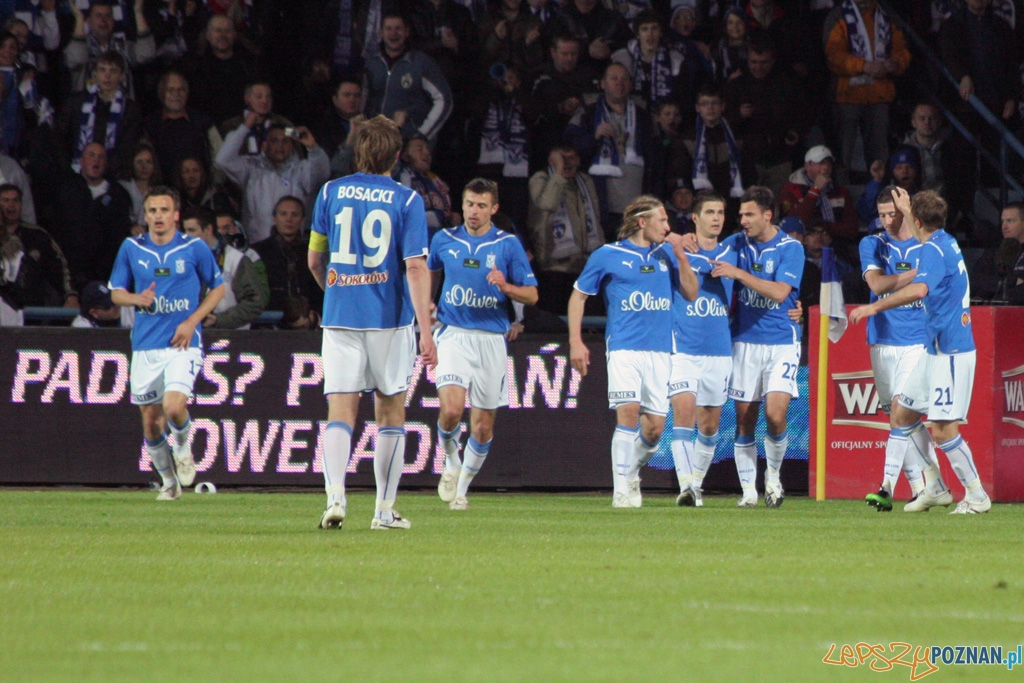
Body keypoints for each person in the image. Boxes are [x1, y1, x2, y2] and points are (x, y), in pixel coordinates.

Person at [307, 115, 437, 530]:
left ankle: (334, 499)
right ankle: (383, 511)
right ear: (396, 156)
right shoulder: (407, 200)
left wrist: (338, 293)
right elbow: (415, 268)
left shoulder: (329, 192)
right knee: (390, 412)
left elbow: (314, 259)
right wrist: (426, 329)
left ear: (357, 151)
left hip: (341, 315)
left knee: (340, 409)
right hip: (389, 320)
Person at [850, 189, 992, 514]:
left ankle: (976, 495)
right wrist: (906, 207)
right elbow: (922, 234)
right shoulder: (943, 240)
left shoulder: (932, 251)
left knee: (943, 429)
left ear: (915, 220)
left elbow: (918, 288)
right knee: (902, 414)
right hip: (933, 347)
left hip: (950, 350)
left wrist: (875, 309)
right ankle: (936, 487)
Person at [568, 195, 698, 507]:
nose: (668, 227)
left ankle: (630, 474)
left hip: (661, 350)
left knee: (653, 431)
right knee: (627, 414)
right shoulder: (607, 255)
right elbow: (578, 297)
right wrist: (575, 340)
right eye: (662, 221)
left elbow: (692, 294)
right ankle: (621, 493)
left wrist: (681, 257)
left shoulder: (668, 253)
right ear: (643, 222)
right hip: (625, 348)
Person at [108, 186, 225, 501]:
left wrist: (191, 322)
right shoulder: (132, 247)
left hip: (183, 343)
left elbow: (217, 288)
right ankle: (169, 483)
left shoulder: (194, 247)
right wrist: (136, 298)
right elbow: (116, 292)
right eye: (152, 211)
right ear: (145, 215)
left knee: (174, 407)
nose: (158, 216)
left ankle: (184, 448)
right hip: (146, 344)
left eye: (164, 210)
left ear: (176, 215)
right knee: (150, 421)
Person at [429, 178, 538, 510]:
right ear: (461, 205)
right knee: (450, 410)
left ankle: (462, 490)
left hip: (491, 339)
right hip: (453, 334)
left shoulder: (507, 245)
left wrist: (506, 287)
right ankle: (450, 459)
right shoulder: (443, 240)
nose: (473, 211)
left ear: (494, 209)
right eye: (469, 204)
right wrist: (427, 309)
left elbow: (532, 295)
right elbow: (429, 276)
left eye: (481, 206)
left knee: (483, 425)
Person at [709, 186, 804, 507]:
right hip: (744, 342)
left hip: (781, 342)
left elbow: (779, 292)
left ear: (767, 215)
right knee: (745, 419)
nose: (742, 221)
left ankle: (773, 477)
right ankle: (749, 492)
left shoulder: (791, 248)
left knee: (776, 416)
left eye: (749, 214)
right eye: (740, 215)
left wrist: (739, 274)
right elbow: (707, 256)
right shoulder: (736, 244)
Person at [857, 185, 928, 510]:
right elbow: (877, 285)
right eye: (882, 214)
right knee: (898, 419)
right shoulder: (872, 243)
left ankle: (886, 486)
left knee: (901, 414)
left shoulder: (926, 244)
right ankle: (922, 487)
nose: (886, 220)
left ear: (905, 211)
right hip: (882, 342)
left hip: (917, 340)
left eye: (892, 213)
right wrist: (916, 275)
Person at [669, 191, 736, 507]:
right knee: (683, 416)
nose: (717, 218)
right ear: (694, 218)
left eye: (721, 212)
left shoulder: (733, 251)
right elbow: (652, 235)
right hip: (683, 349)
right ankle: (686, 487)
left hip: (719, 351)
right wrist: (676, 237)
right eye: (710, 212)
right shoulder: (677, 251)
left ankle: (696, 484)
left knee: (709, 426)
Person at [824, 0, 910, 183]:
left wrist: (895, 63)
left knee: (880, 156)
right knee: (842, 155)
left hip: (879, 95)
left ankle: (882, 198)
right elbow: (833, 55)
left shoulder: (887, 14)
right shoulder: (838, 16)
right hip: (847, 96)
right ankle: (840, 197)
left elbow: (901, 50)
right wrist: (863, 66)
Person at [565, 62, 653, 240]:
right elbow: (569, 147)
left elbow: (655, 158)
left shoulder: (643, 115)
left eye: (624, 79)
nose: (619, 83)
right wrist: (594, 137)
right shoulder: (588, 113)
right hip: (602, 207)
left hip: (637, 206)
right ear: (603, 84)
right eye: (614, 78)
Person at [215, 119, 330, 244]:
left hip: (293, 245)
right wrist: (245, 127)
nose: (280, 146)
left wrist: (313, 147)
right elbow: (223, 160)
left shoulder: (301, 169)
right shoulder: (252, 167)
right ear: (265, 145)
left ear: (292, 145)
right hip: (257, 245)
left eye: (285, 141)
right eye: (274, 141)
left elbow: (322, 175)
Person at [528, 144, 602, 314]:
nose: (567, 163)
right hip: (554, 266)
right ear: (551, 160)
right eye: (562, 158)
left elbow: (595, 219)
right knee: (556, 321)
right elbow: (547, 204)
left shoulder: (585, 181)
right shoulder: (541, 179)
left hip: (583, 265)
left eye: (571, 158)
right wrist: (559, 173)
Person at [363, 12, 452, 143]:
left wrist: (422, 135)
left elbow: (444, 100)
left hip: (409, 143)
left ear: (407, 32)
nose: (394, 33)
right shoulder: (371, 63)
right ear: (381, 33)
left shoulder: (422, 63)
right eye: (389, 29)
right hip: (377, 141)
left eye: (398, 28)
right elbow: (363, 102)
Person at [55, 50, 141, 178]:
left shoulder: (130, 109)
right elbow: (60, 136)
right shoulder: (76, 101)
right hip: (75, 173)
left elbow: (127, 148)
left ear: (122, 76)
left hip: (112, 176)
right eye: (102, 70)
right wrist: (68, 168)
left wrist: (104, 171)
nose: (107, 76)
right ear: (95, 73)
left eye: (113, 71)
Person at [182, 206, 267, 330]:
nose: (186, 236)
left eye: (191, 230)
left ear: (208, 229)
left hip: (230, 339)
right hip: (190, 338)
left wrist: (219, 320)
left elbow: (255, 302)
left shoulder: (236, 260)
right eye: (184, 230)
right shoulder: (181, 259)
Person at [252, 196, 323, 325]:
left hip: (308, 325)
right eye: (283, 214)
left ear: (302, 220)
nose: (289, 219)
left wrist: (313, 318)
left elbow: (320, 290)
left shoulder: (313, 253)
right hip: (267, 324)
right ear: (274, 218)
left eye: (295, 215)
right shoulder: (257, 252)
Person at [0, 183, 73, 308]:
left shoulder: (38, 235)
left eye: (16, 200)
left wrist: (71, 295)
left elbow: (60, 268)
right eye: (6, 200)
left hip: (34, 310)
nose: (11, 205)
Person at [64, 0, 154, 98]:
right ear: (88, 21)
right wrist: (79, 19)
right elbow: (76, 58)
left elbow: (146, 53)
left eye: (108, 16)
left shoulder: (123, 45)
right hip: (87, 109)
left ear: (113, 21)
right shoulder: (81, 46)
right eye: (98, 15)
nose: (103, 20)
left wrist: (138, 12)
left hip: (122, 108)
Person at [143, 71, 215, 182]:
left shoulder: (202, 121)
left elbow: (218, 156)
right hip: (162, 191)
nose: (176, 94)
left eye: (181, 90)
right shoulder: (150, 124)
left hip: (199, 190)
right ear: (161, 93)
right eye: (170, 90)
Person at [779, 145, 859, 244]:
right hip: (805, 246)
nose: (826, 167)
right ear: (807, 166)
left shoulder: (841, 191)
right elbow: (796, 224)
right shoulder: (790, 190)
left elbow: (852, 228)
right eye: (821, 163)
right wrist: (815, 190)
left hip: (838, 245)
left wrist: (824, 230)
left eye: (829, 163)